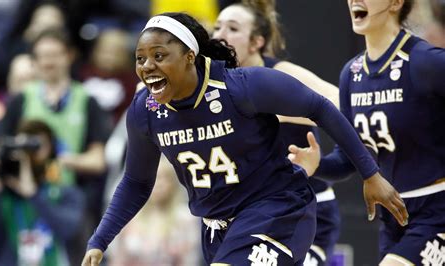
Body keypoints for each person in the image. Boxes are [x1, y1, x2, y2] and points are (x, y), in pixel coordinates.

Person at [82, 12, 408, 266]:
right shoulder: (146, 109)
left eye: (159, 55)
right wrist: (99, 240)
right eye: (140, 59)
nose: (147, 66)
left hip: (276, 210)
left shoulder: (242, 86)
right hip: (217, 229)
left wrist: (370, 174)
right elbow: (137, 182)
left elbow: (320, 107)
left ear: (189, 57)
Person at [291, 0, 445, 265]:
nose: (354, 0)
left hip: (437, 212)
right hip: (393, 216)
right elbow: (349, 158)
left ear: (396, 3)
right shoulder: (351, 74)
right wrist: (317, 166)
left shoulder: (425, 62)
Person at [213, 1, 341, 264]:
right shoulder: (216, 83)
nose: (220, 35)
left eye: (232, 28)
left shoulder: (281, 75)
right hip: (251, 212)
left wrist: (324, 164)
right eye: (217, 27)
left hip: (304, 208)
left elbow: (344, 106)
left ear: (256, 42)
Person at [1, 28, 111, 265]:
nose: (49, 61)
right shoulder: (21, 100)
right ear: (35, 61)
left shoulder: (87, 101)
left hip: (70, 199)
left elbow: (98, 160)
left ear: (69, 56)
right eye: (43, 55)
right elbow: (2, 146)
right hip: (26, 199)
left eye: (55, 54)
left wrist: (58, 158)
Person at [0, 119, 85, 266]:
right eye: (23, 146)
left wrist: (34, 196)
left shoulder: (64, 193)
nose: (30, 156)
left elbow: (69, 230)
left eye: (36, 147)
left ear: (52, 151)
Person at [107, 155, 200, 265]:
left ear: (174, 183)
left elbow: (189, 261)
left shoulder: (186, 219)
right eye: (153, 178)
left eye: (164, 178)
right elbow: (116, 259)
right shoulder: (126, 217)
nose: (158, 184)